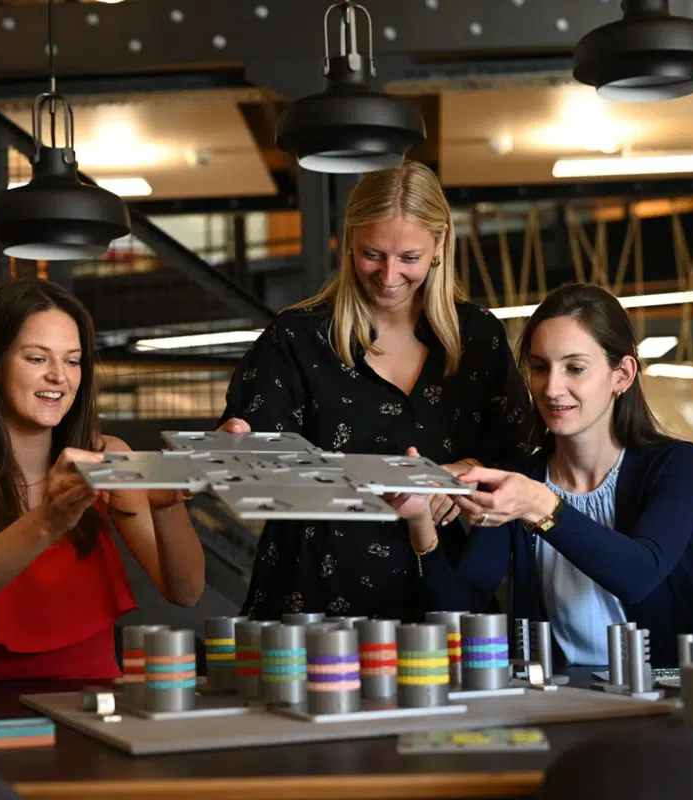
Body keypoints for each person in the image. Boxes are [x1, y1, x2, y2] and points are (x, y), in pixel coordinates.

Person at [219, 160, 533, 622]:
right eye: (372, 254)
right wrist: (235, 446)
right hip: (312, 590)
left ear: (440, 243)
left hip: (441, 585)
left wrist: (466, 470)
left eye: (409, 258)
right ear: (349, 240)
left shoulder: (478, 337)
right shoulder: (297, 337)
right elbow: (256, 453)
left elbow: (519, 451)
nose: (388, 276)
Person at [0, 277, 205, 681]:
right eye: (37, 358)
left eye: (72, 360)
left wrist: (168, 505)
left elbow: (185, 591)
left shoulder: (108, 459)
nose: (59, 377)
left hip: (99, 706)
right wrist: (47, 522)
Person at [412, 282, 693, 666]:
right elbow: (462, 613)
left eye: (575, 368)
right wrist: (419, 524)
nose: (551, 388)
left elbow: (638, 575)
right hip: (559, 696)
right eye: (539, 367)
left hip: (673, 695)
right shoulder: (519, 477)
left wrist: (541, 506)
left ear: (622, 374)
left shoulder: (678, 465)